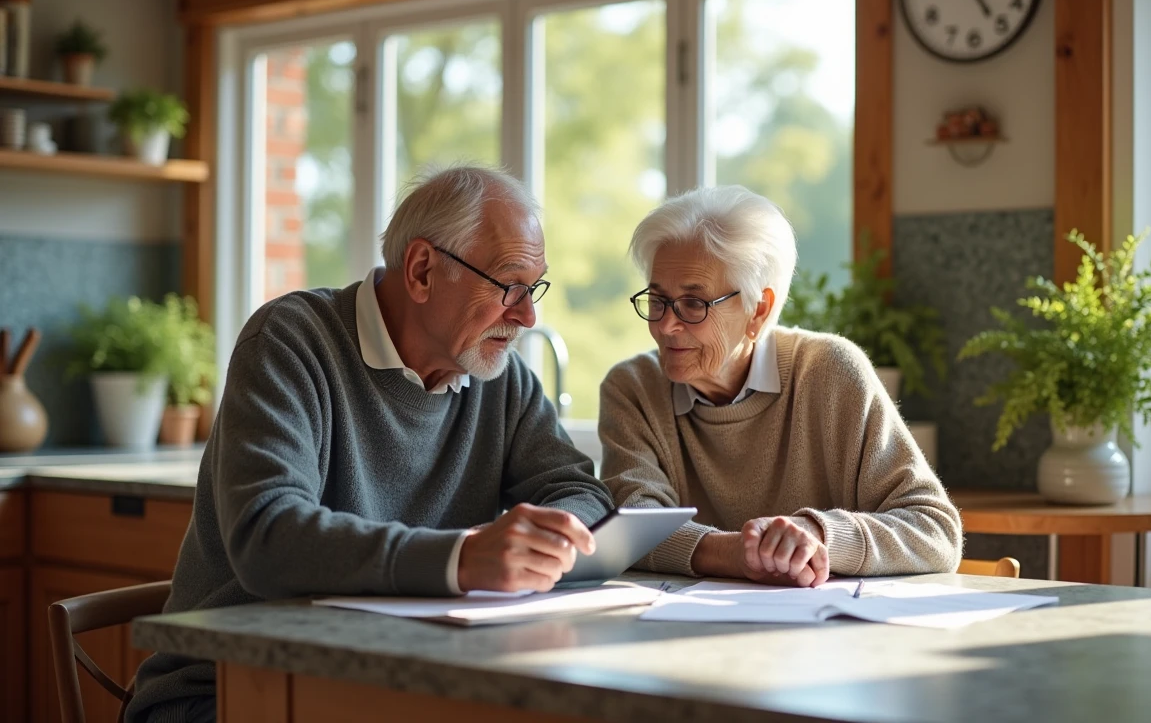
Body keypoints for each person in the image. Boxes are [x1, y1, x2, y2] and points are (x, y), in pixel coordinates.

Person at [128, 165, 613, 723]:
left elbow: (582, 491)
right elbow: (267, 536)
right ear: (423, 270)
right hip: (225, 689)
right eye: (509, 285)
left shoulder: (498, 378)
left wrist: (543, 538)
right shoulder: (291, 341)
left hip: (401, 676)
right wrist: (462, 558)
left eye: (534, 289)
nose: (527, 314)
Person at [600, 185, 961, 588]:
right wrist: (738, 553)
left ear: (759, 309)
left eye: (693, 303)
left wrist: (817, 535)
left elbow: (935, 531)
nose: (666, 325)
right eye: (657, 299)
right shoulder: (633, 388)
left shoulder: (830, 372)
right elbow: (632, 528)